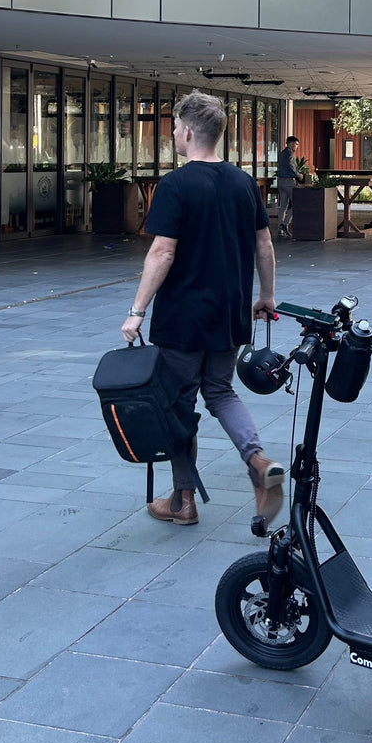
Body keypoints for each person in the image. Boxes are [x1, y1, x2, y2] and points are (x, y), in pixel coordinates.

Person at [120, 90, 283, 529]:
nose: (173, 133)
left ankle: (183, 501)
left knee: (177, 403)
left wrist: (137, 309)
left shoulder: (174, 185)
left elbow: (161, 252)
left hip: (183, 319)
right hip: (230, 313)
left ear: (188, 132)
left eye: (174, 126)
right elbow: (263, 245)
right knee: (221, 392)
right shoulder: (244, 183)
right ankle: (257, 461)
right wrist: (266, 296)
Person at [275, 135, 304, 239]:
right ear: (291, 144)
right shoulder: (290, 154)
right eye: (296, 145)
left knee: (283, 206)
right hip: (288, 182)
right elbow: (291, 167)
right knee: (297, 203)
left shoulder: (281, 153)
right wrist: (298, 175)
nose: (296, 147)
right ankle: (285, 223)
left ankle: (280, 229)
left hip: (280, 181)